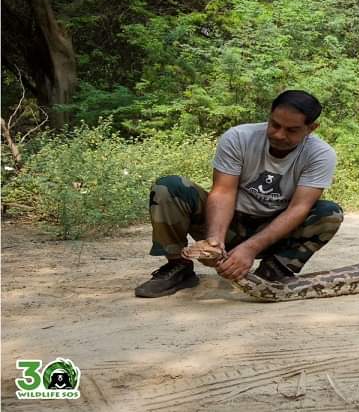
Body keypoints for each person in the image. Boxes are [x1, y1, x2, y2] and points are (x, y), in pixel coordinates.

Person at [135, 90, 344, 297]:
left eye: (291, 130)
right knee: (169, 187)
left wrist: (250, 249)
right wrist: (214, 241)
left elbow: (298, 208)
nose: (279, 134)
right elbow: (223, 191)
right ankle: (178, 266)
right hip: (231, 222)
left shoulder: (320, 154)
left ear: (311, 128)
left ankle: (273, 270)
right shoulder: (239, 137)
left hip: (274, 229)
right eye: (275, 125)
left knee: (329, 213)